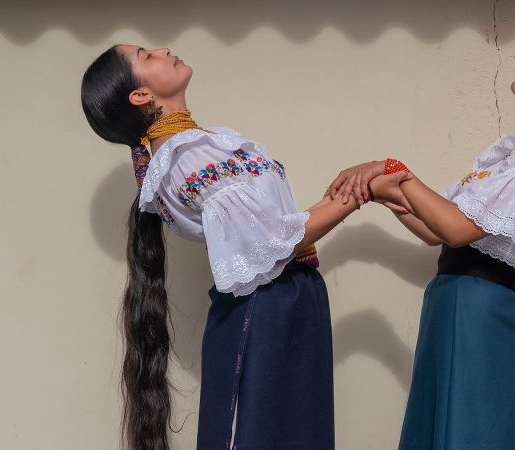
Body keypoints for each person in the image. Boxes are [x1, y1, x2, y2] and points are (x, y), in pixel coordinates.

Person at [80, 44, 381, 450]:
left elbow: (276, 230)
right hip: (265, 309)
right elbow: (272, 242)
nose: (163, 49)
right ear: (141, 95)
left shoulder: (204, 145)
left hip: (289, 301)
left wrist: (354, 185)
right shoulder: (184, 160)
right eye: (146, 56)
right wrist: (365, 190)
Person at [328, 42, 515, 450]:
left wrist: (394, 169)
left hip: (475, 309)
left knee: (469, 432)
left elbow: (454, 229)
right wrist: (384, 191)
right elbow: (437, 230)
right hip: (460, 303)